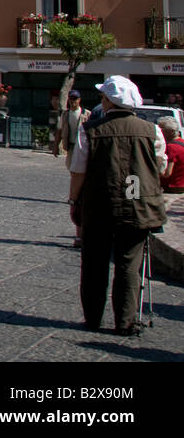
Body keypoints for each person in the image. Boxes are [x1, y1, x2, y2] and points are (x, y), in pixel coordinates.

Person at [68, 76, 166, 336]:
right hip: (137, 206)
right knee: (129, 264)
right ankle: (125, 321)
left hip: (99, 205)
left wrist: (73, 200)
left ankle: (93, 318)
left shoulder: (90, 130)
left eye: (103, 98)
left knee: (94, 264)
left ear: (109, 101)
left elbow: (78, 170)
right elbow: (160, 166)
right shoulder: (152, 130)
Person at [52, 91, 91, 247]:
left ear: (79, 100)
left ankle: (76, 195)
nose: (73, 101)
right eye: (71, 99)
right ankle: (76, 193)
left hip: (84, 147)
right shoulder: (65, 115)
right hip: (72, 146)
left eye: (75, 99)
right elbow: (60, 130)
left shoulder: (86, 114)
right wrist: (56, 145)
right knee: (72, 170)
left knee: (80, 171)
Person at [159, 116, 184, 193]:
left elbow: (167, 173)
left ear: (172, 131)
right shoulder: (182, 142)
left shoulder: (171, 147)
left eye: (162, 130)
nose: (160, 132)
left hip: (173, 186)